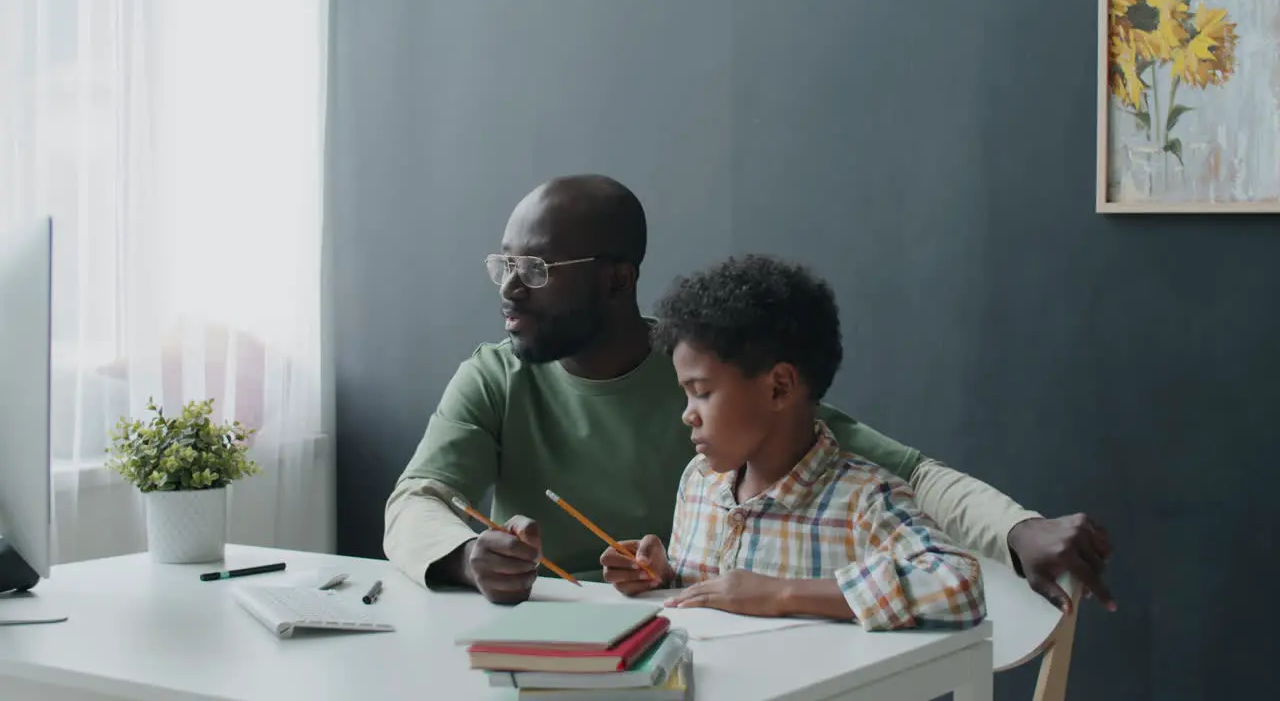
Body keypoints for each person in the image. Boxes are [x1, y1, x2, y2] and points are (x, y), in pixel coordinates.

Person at [383, 173, 1114, 613]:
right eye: (504, 265)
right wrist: (464, 558)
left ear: (616, 278)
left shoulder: (724, 383)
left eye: (536, 269)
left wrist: (1018, 530)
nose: (510, 288)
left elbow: (913, 478)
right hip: (541, 646)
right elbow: (416, 500)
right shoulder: (494, 374)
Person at [600, 254, 985, 630]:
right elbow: (702, 609)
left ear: (779, 387)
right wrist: (662, 577)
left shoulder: (864, 501)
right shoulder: (699, 483)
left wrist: (782, 594)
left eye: (701, 392)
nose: (688, 413)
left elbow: (960, 586)